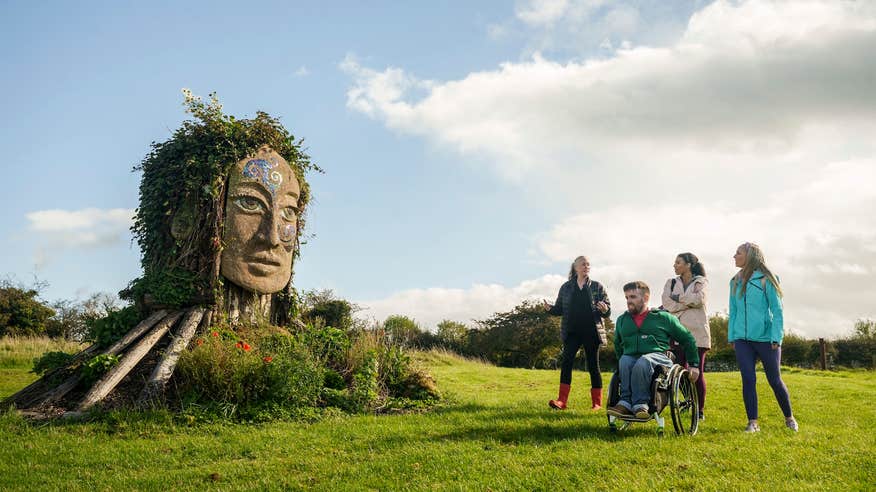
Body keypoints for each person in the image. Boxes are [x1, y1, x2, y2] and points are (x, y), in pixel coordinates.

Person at [729, 242, 798, 432]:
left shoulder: (766, 279)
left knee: (774, 380)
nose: (734, 256)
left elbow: (777, 310)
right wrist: (732, 337)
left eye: (738, 253)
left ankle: (789, 418)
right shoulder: (734, 281)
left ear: (750, 256)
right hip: (742, 339)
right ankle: (753, 423)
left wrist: (776, 337)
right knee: (748, 379)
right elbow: (733, 311)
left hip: (767, 339)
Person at [607, 281, 699, 419]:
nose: (628, 301)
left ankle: (640, 404)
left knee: (644, 361)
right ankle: (625, 403)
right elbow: (618, 345)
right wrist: (622, 363)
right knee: (625, 360)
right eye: (626, 298)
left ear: (645, 298)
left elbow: (687, 338)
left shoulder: (663, 317)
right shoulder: (622, 320)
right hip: (632, 357)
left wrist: (694, 364)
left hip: (659, 357)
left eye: (632, 297)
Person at [544, 256, 611, 410]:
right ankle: (561, 401)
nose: (586, 266)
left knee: (593, 365)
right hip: (572, 332)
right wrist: (550, 309)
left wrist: (605, 309)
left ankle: (597, 404)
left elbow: (607, 311)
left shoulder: (597, 286)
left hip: (591, 332)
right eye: (583, 264)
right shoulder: (566, 287)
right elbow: (559, 309)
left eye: (588, 264)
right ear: (575, 267)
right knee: (566, 362)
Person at [661, 253, 710, 421]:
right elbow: (667, 303)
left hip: (697, 334)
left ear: (688, 265)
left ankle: (700, 410)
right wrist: (685, 304)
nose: (674, 265)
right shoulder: (671, 282)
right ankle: (690, 401)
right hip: (676, 332)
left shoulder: (701, 282)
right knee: (677, 371)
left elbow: (699, 300)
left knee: (696, 372)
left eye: (678, 262)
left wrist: (678, 299)